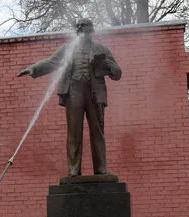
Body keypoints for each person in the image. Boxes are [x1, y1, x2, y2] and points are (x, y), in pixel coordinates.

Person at [18, 18, 122, 177]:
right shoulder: (67, 49)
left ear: (91, 29)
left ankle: (101, 168)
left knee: (97, 130)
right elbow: (51, 62)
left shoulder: (102, 50)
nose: (80, 28)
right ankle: (74, 169)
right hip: (73, 91)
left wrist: (107, 65)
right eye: (78, 26)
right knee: (74, 131)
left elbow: (117, 73)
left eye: (84, 25)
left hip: (94, 93)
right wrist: (33, 69)